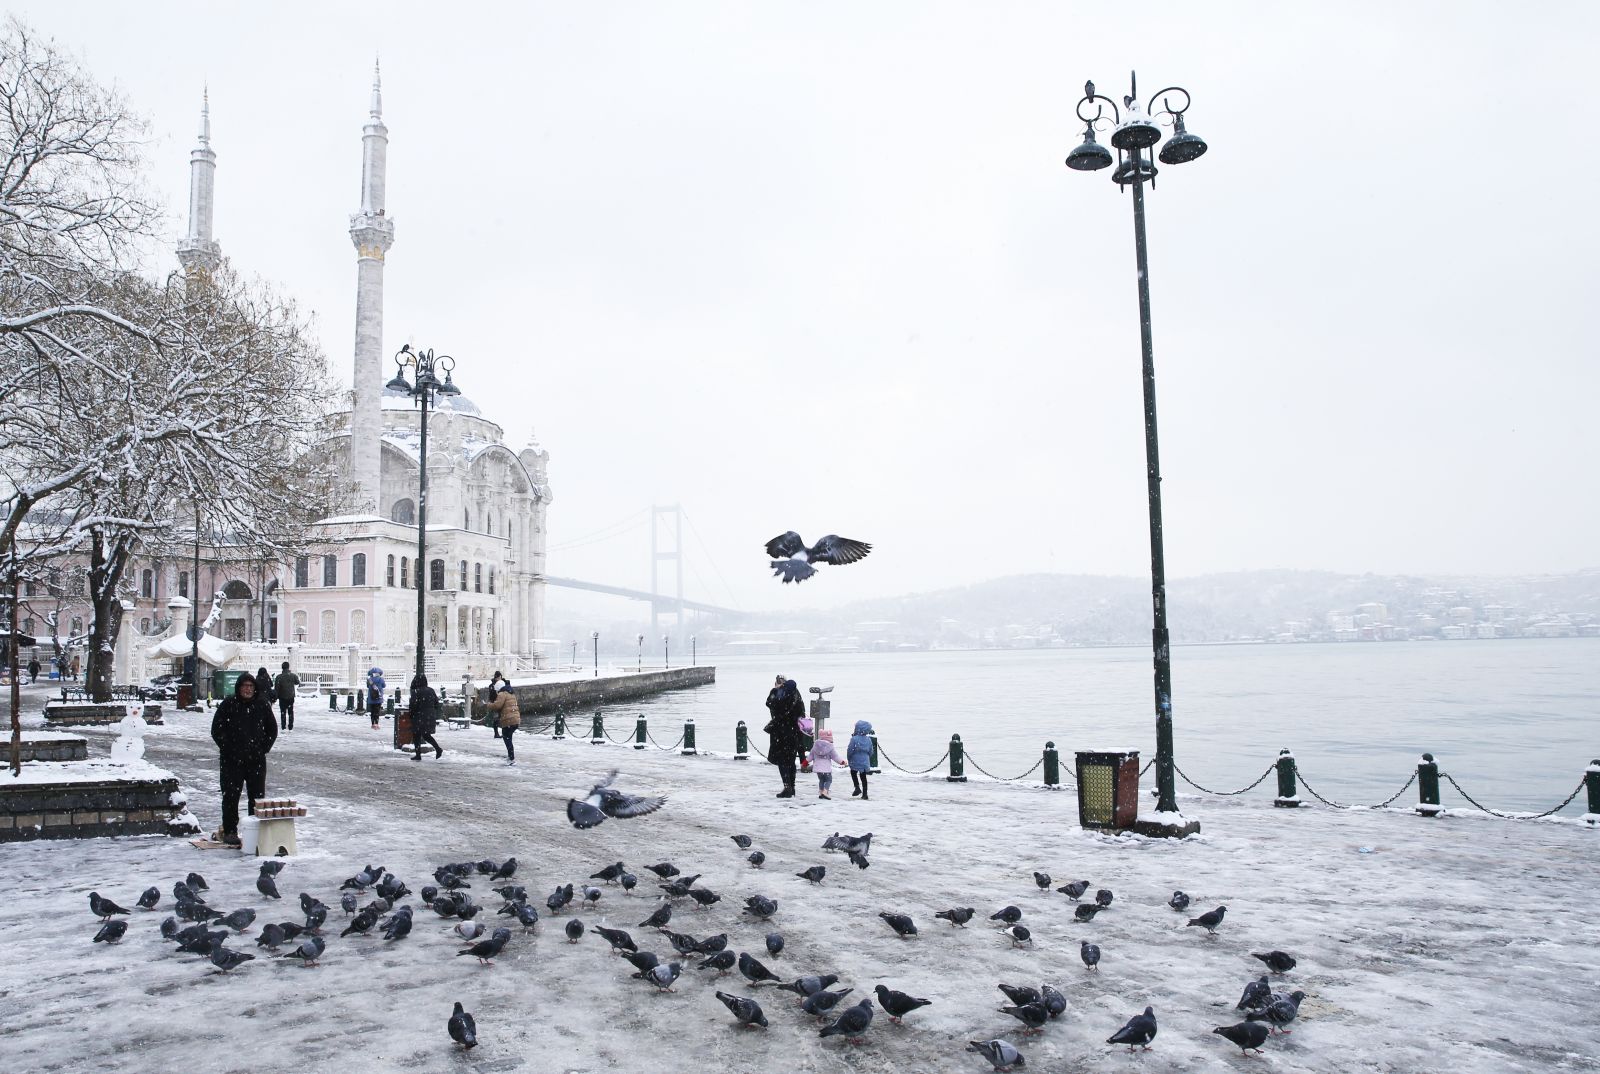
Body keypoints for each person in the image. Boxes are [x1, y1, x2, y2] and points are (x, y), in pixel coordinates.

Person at [209, 672, 278, 846]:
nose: (247, 689)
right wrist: (229, 748)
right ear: (239, 688)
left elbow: (272, 730)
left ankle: (254, 831)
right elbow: (217, 730)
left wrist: (262, 749)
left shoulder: (262, 705)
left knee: (257, 797)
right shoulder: (228, 705)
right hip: (232, 761)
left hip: (255, 760)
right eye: (244, 686)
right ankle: (231, 830)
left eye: (250, 686)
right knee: (231, 796)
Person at [763, 676, 805, 798]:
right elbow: (802, 711)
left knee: (782, 761)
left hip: (780, 732)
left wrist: (775, 689)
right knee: (791, 760)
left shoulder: (777, 694)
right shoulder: (796, 694)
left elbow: (769, 704)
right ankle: (792, 788)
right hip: (795, 731)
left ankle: (787, 787)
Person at [409, 673, 443, 761]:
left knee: (416, 735)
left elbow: (413, 705)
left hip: (419, 715)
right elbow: (436, 703)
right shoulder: (431, 690)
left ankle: (418, 754)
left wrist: (411, 714)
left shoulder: (416, 691)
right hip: (429, 715)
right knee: (426, 735)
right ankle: (437, 748)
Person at [485, 682, 521, 766]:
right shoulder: (511, 693)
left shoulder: (502, 693)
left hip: (509, 719)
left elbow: (497, 705)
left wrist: (489, 705)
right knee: (509, 737)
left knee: (506, 738)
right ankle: (510, 756)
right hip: (515, 718)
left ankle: (511, 758)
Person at [809, 728, 840, 800]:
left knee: (821, 780)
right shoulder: (830, 747)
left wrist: (805, 762)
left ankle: (821, 792)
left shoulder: (815, 746)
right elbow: (835, 757)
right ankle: (825, 792)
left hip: (818, 769)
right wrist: (842, 762)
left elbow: (810, 756)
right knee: (829, 780)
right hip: (826, 769)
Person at [847, 719, 874, 800]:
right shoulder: (868, 739)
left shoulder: (854, 739)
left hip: (855, 760)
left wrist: (849, 758)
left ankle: (857, 787)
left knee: (853, 772)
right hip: (865, 760)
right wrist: (867, 757)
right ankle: (865, 794)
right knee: (863, 777)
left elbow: (850, 750)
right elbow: (871, 751)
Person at [273, 661, 300, 731]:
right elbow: (297, 682)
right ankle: (290, 726)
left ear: (282, 668)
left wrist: (276, 696)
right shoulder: (293, 675)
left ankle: (283, 726)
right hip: (291, 696)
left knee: (283, 712)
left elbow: (276, 688)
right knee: (291, 712)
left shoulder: (279, 677)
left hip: (282, 697)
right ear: (288, 667)